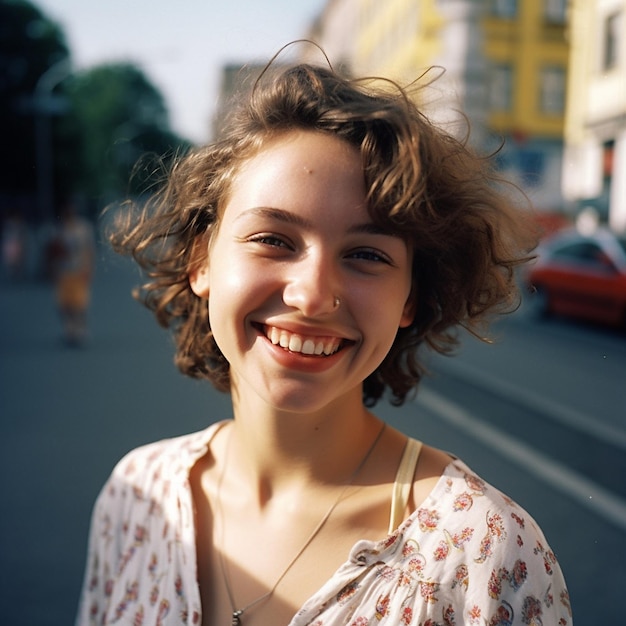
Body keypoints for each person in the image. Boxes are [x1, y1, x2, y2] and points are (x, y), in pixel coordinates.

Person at [76, 61, 571, 625]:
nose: (312, 295)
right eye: (273, 239)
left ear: (411, 297)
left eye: (366, 255)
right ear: (201, 259)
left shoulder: (483, 553)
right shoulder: (138, 498)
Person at [49, 203, 96, 345]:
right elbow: (53, 253)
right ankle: (69, 329)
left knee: (80, 302)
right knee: (64, 303)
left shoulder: (83, 228)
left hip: (78, 269)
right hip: (63, 270)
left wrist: (89, 268)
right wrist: (52, 270)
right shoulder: (58, 229)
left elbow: (89, 249)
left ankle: (80, 329)